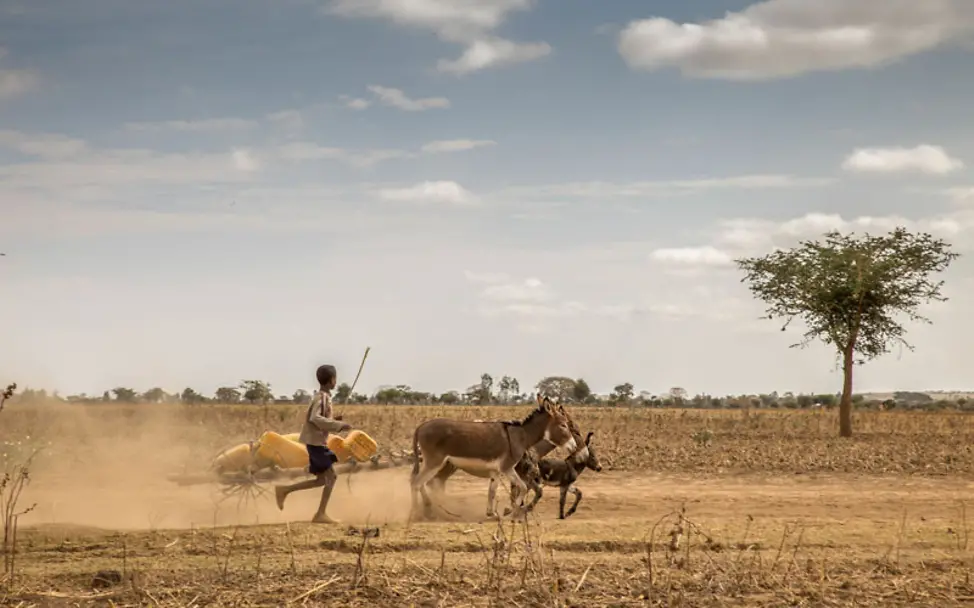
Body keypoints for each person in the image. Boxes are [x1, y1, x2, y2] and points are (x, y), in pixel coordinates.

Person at [275, 364, 351, 524]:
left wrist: (333, 421)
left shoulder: (322, 397)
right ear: (332, 380)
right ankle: (320, 514)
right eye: (335, 378)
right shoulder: (322, 397)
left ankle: (284, 490)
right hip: (316, 444)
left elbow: (319, 419)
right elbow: (315, 419)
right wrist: (338, 426)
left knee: (322, 480)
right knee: (331, 477)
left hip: (315, 442)